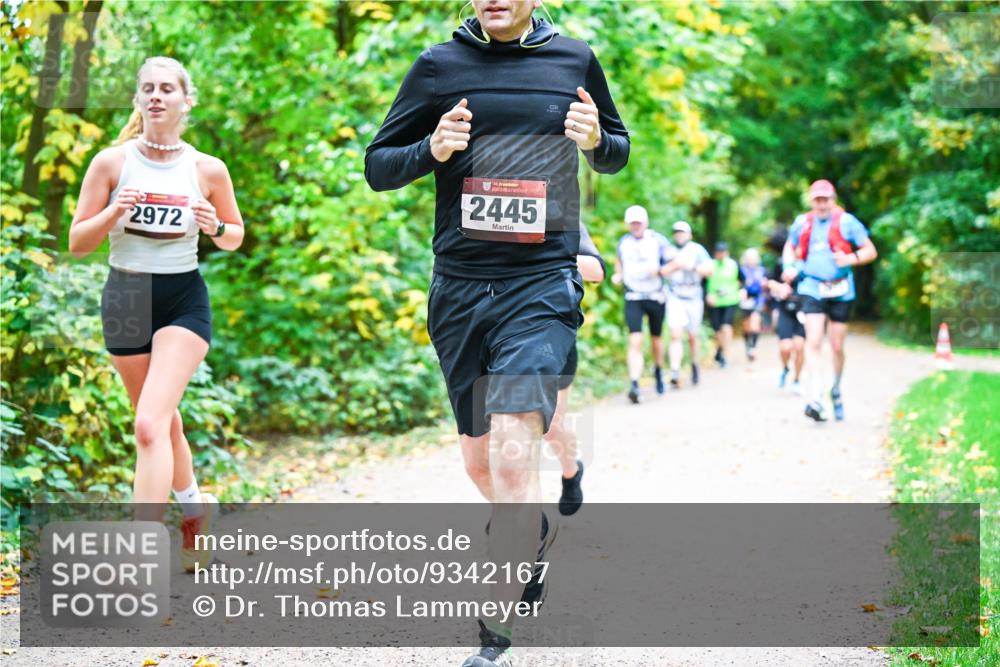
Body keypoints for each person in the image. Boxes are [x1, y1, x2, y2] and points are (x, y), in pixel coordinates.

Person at [364, 1, 629, 663]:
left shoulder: (574, 59)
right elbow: (378, 166)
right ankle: (535, 530)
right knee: (480, 462)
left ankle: (494, 633)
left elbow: (615, 153)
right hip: (459, 288)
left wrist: (597, 140)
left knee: (514, 451)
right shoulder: (438, 66)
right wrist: (433, 148)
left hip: (540, 282)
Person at [68, 57, 245, 571]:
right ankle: (196, 512)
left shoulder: (207, 168)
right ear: (137, 100)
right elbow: (78, 243)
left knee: (149, 424)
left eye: (167, 88)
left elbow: (235, 236)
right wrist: (112, 213)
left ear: (185, 100)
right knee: (162, 425)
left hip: (182, 299)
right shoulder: (111, 163)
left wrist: (215, 225)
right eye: (147, 88)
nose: (156, 96)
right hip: (124, 298)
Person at [782, 179, 877, 422]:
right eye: (817, 199)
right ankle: (816, 397)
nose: (821, 204)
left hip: (841, 290)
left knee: (836, 346)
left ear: (832, 200)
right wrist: (789, 266)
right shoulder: (802, 223)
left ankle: (835, 388)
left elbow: (870, 250)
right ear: (812, 201)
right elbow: (789, 247)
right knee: (812, 342)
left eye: (826, 199)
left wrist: (851, 259)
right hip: (812, 287)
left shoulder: (847, 222)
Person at [544, 223, 605, 517]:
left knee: (550, 425)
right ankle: (513, 512)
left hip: (555, 335)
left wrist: (542, 256)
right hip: (498, 332)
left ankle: (571, 470)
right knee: (504, 429)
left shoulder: (562, 213)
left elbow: (596, 270)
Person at [611, 205, 671, 402]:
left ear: (645, 223)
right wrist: (618, 275)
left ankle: (659, 371)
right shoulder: (624, 242)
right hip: (634, 296)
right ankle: (635, 383)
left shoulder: (658, 240)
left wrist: (661, 271)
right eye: (632, 223)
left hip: (655, 295)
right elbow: (618, 261)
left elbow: (675, 262)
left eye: (638, 222)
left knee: (656, 339)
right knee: (635, 339)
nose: (635, 226)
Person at [660, 220, 713, 388]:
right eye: (676, 232)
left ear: (689, 235)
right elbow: (660, 271)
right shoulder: (668, 251)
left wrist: (693, 267)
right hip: (675, 295)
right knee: (675, 334)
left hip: (693, 296)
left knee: (692, 335)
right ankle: (675, 371)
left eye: (682, 232)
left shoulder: (697, 250)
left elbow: (710, 270)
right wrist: (676, 265)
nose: (679, 235)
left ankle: (694, 364)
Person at [767, 242, 805, 394]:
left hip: (804, 311)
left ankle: (797, 379)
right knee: (785, 347)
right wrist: (780, 287)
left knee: (800, 347)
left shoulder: (809, 265)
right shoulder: (781, 264)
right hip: (785, 309)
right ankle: (785, 368)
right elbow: (769, 282)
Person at [705, 241, 740, 368]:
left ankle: (726, 355)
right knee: (717, 331)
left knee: (726, 327)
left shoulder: (733, 264)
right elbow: (704, 282)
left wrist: (743, 290)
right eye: (719, 252)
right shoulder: (710, 265)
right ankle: (720, 351)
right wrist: (708, 295)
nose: (721, 254)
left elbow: (742, 279)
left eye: (723, 252)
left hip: (730, 300)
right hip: (715, 302)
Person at [739, 247, 767, 361]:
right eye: (749, 258)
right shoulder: (741, 270)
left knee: (755, 323)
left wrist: (765, 284)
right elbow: (738, 283)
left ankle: (753, 347)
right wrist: (741, 290)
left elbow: (767, 283)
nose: (752, 260)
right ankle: (748, 345)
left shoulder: (762, 270)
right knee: (746, 327)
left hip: (758, 299)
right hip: (746, 300)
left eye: (753, 258)